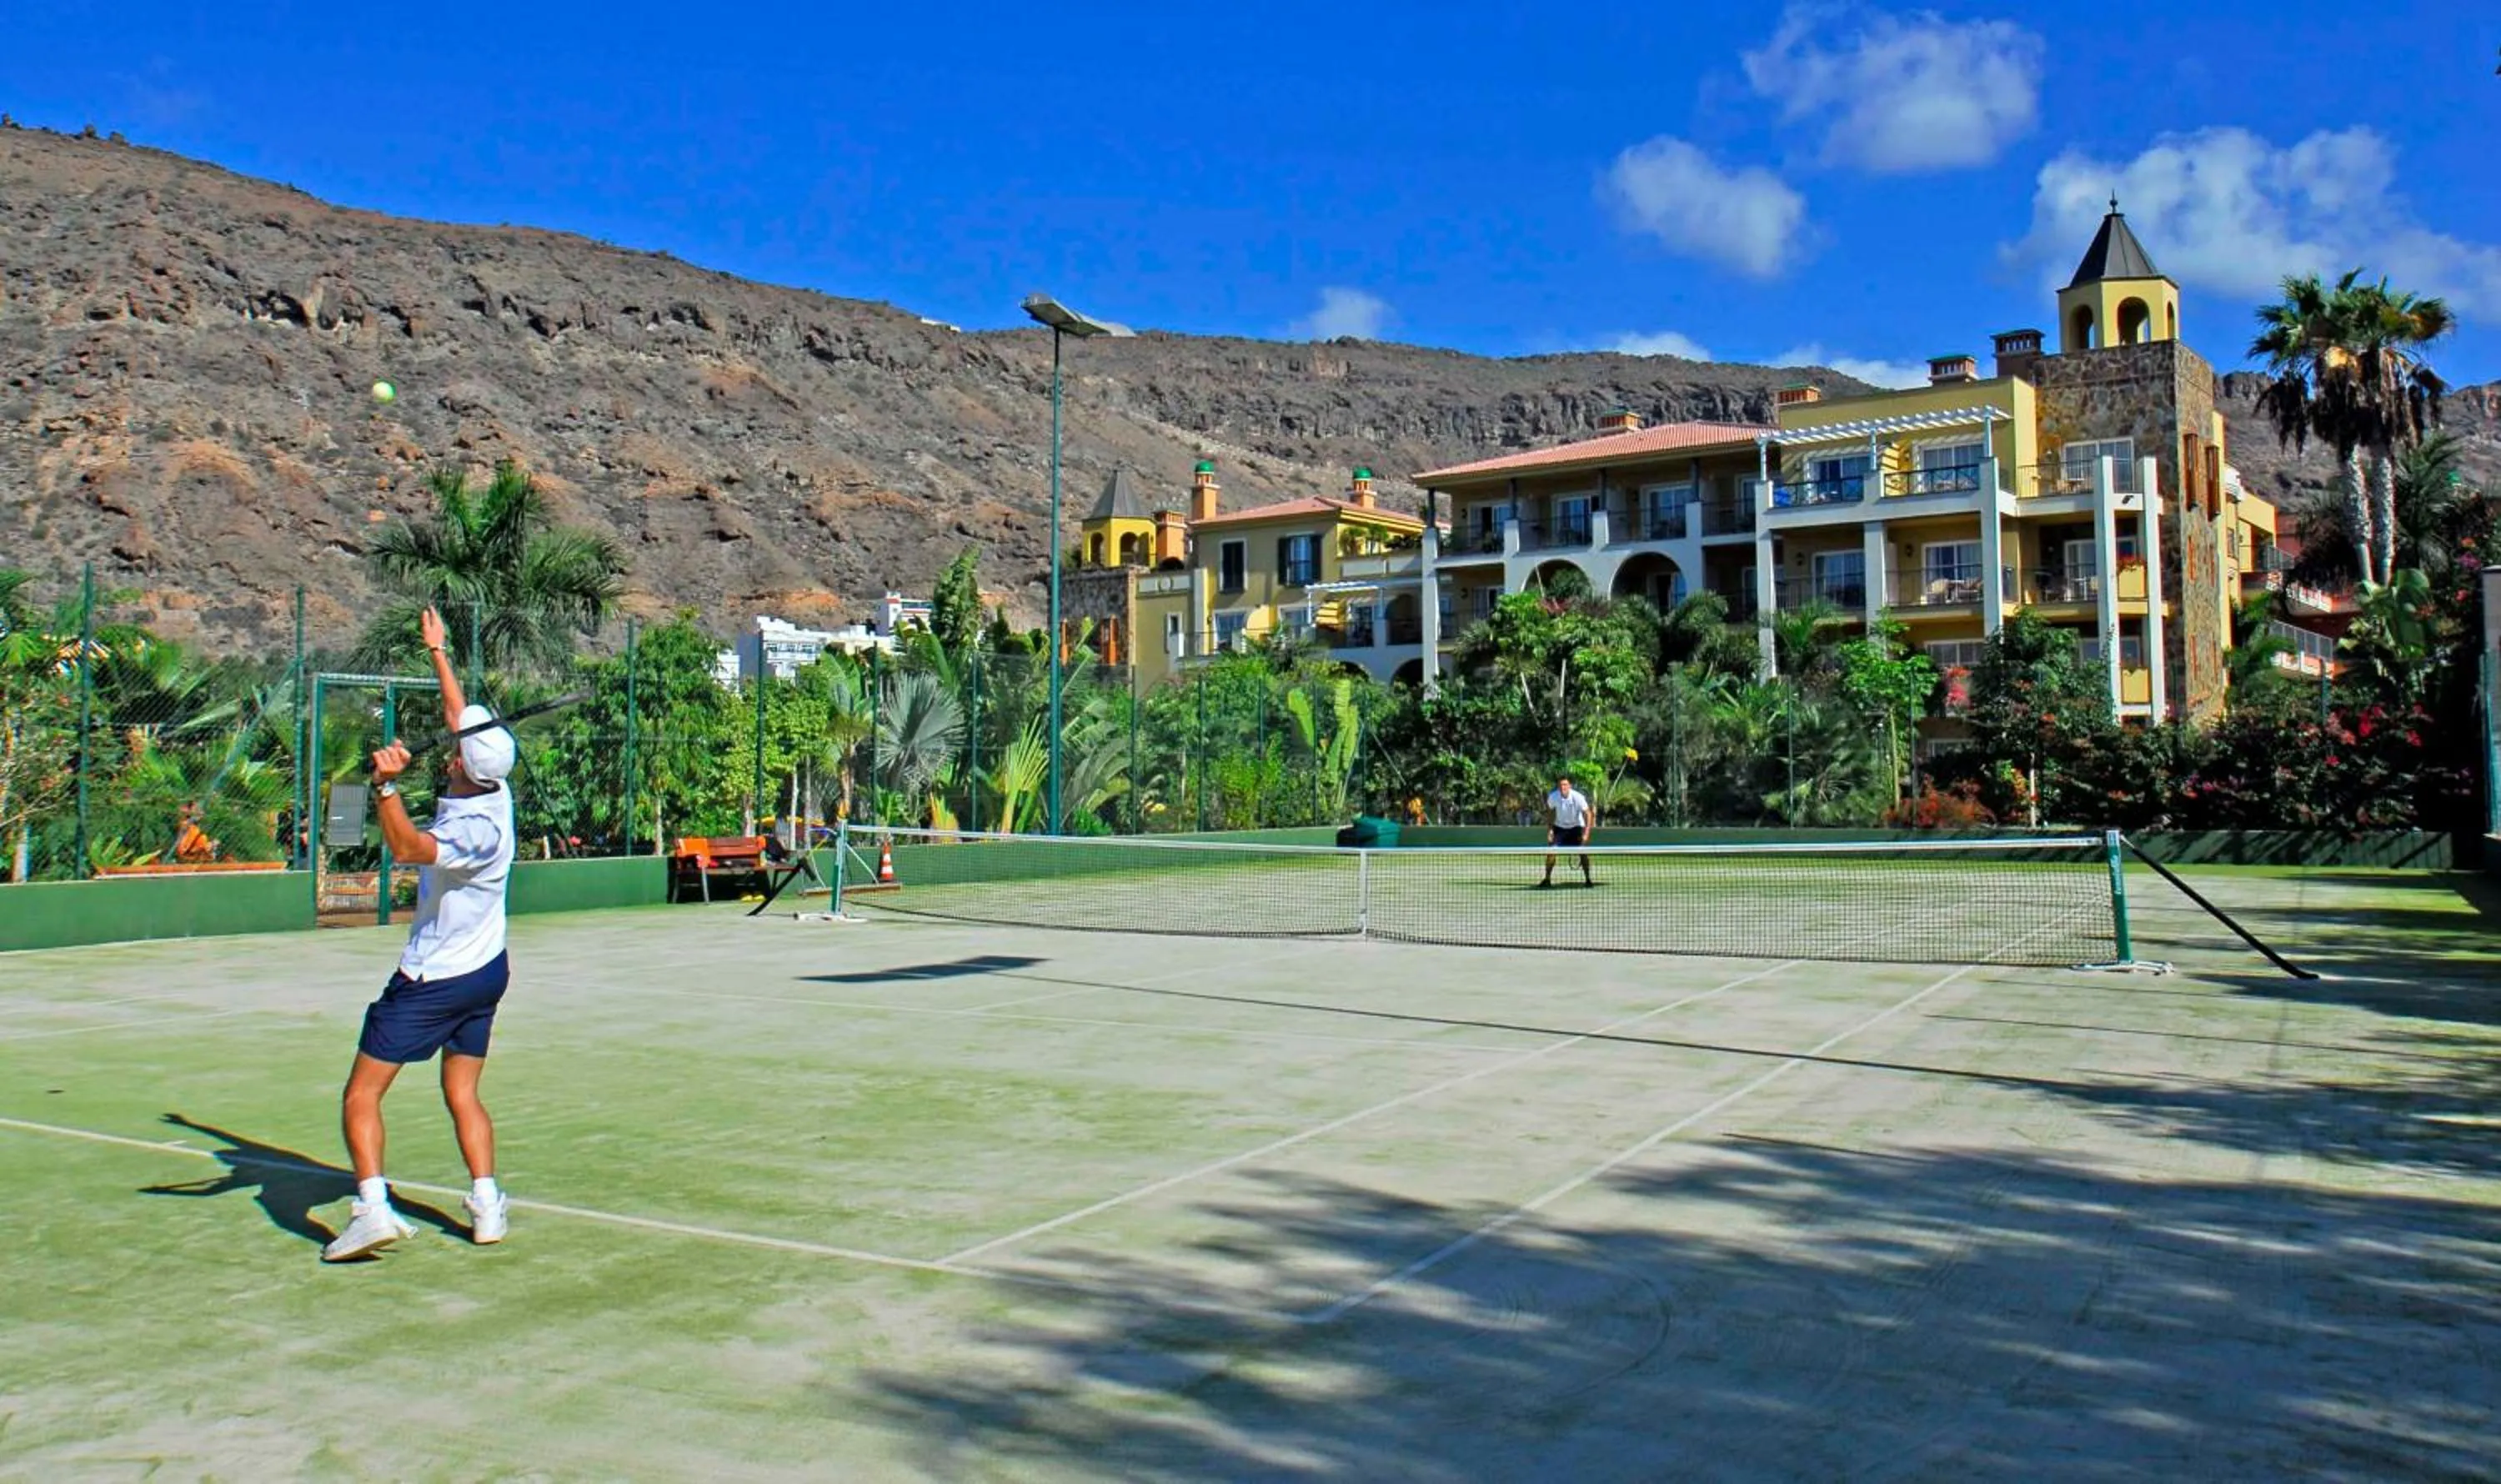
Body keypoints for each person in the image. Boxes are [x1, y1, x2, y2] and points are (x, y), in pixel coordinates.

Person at [323, 607, 519, 1262]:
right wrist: (438, 654)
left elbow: (407, 846)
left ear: (463, 762)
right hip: (488, 971)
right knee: (462, 1091)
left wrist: (384, 787)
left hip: (434, 979)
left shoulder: (473, 832)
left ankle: (372, 1209)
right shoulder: (493, 789)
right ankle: (488, 1207)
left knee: (361, 1094)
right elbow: (463, 716)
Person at [1540, 771, 1596, 888]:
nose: (1563, 787)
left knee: (1583, 853)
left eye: (1565, 785)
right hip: (1559, 828)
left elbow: (1588, 814)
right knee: (1551, 852)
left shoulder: (1578, 797)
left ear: (1569, 786)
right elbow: (1550, 812)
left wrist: (1586, 833)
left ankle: (1588, 880)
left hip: (1576, 828)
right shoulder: (1553, 797)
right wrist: (1550, 830)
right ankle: (1547, 879)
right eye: (1561, 785)